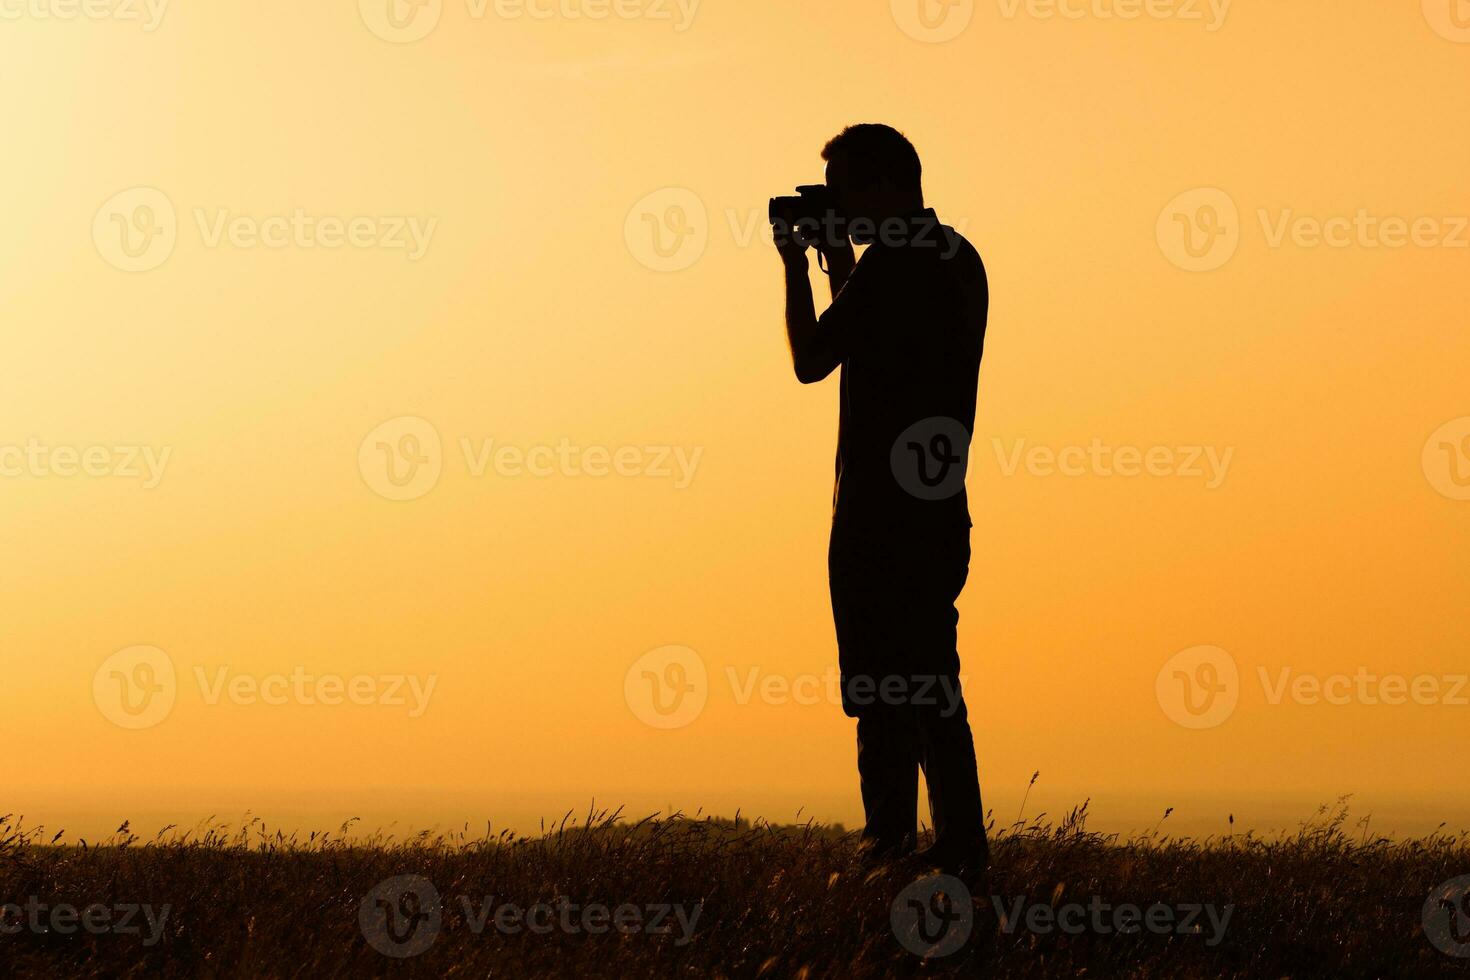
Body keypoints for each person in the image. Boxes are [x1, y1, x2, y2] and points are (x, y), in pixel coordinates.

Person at [774, 124, 990, 873]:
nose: (836, 210)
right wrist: (844, 266)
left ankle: (890, 837)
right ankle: (958, 843)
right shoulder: (954, 259)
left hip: (876, 510)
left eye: (841, 195)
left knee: (880, 684)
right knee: (930, 679)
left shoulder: (894, 265)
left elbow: (811, 360)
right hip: (934, 504)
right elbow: (879, 342)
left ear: (880, 187)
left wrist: (796, 267)